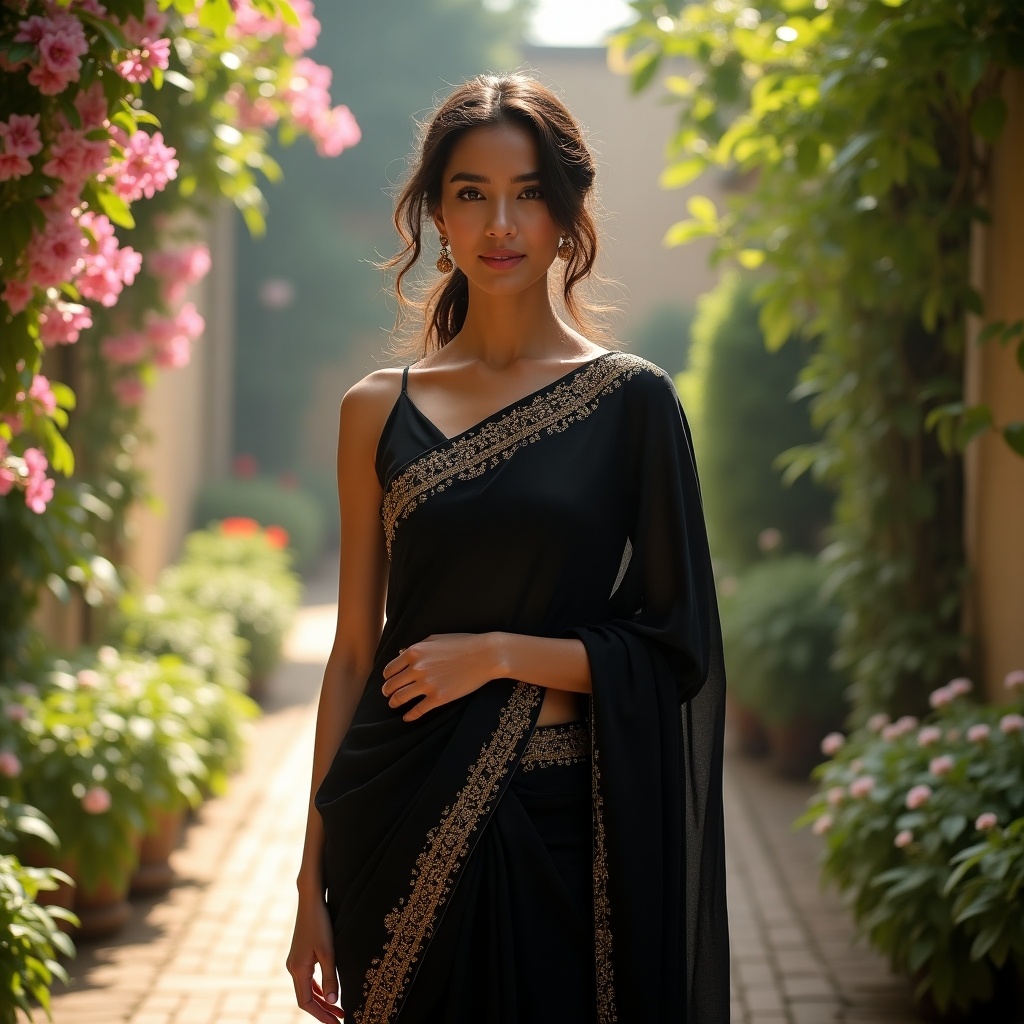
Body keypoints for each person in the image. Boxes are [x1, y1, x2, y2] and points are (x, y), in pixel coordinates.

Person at [286, 72, 729, 1024]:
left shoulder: (631, 402)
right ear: (435, 217)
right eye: (471, 194)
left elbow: (676, 642)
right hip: (393, 819)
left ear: (568, 215)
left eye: (529, 193)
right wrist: (307, 884)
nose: (501, 224)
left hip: (561, 825)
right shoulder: (375, 409)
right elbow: (354, 655)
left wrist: (496, 656)